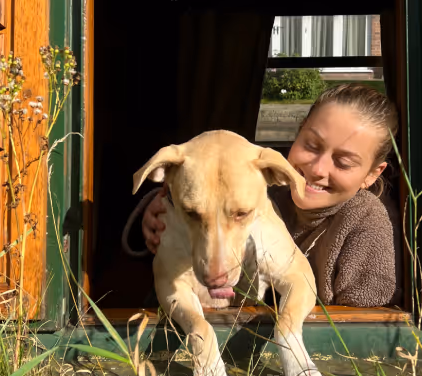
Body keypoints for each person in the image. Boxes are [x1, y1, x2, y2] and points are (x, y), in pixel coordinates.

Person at [140, 83, 401, 308]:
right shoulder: (264, 187)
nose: (318, 169)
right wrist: (169, 206)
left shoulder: (368, 224)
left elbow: (363, 324)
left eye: (343, 162)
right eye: (311, 146)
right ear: (298, 133)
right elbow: (207, 199)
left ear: (372, 175)